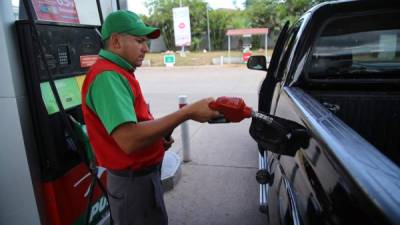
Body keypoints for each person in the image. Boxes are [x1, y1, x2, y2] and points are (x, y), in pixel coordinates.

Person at [81, 10, 219, 225]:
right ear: (116, 41)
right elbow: (129, 139)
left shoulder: (118, 72)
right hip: (132, 185)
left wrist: (158, 135)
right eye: (139, 41)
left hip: (141, 180)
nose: (146, 48)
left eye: (145, 42)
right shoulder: (108, 76)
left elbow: (135, 124)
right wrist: (187, 112)